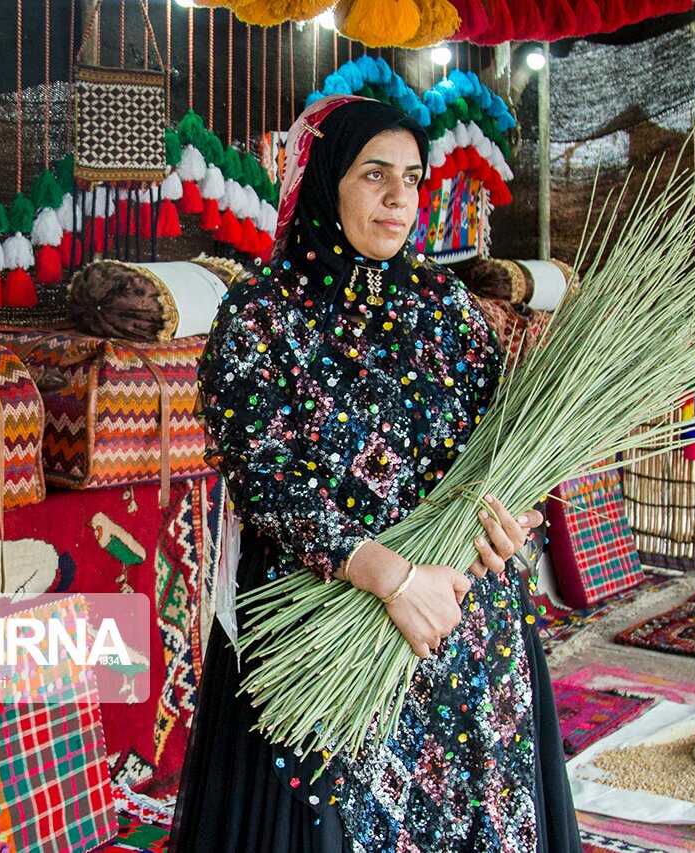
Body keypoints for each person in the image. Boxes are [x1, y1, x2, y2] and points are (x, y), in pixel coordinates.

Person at [170, 95, 582, 853]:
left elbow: (497, 445)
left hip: (458, 622)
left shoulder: (450, 308)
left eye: (413, 178)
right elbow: (266, 476)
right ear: (324, 179)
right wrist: (391, 578)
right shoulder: (263, 316)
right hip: (328, 622)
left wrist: (506, 521)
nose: (399, 199)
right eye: (374, 174)